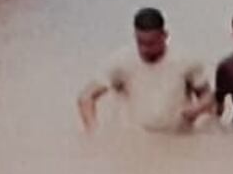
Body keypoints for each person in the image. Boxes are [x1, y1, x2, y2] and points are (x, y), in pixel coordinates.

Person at [79, 7, 214, 133]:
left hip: (177, 137)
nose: (145, 48)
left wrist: (197, 109)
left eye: (151, 43)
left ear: (165, 35)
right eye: (140, 42)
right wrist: (93, 132)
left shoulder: (186, 61)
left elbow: (207, 96)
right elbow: (86, 97)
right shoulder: (120, 62)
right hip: (135, 139)